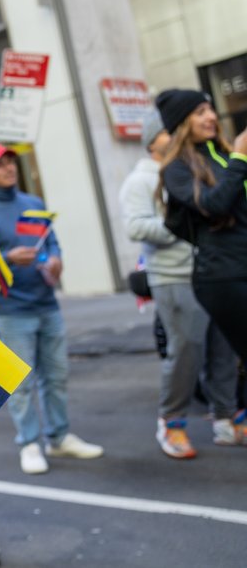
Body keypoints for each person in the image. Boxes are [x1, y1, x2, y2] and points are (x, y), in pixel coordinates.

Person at [0, 144, 104, 474]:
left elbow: (51, 241)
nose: (8, 168)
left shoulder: (33, 204)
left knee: (57, 375)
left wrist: (57, 260)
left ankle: (58, 437)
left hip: (47, 304)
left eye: (11, 162)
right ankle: (29, 443)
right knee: (21, 383)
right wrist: (7, 258)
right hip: (11, 310)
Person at [119, 113, 241, 456]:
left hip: (212, 271)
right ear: (151, 140)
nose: (172, 135)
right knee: (186, 348)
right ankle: (171, 423)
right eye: (165, 132)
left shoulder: (194, 166)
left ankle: (227, 419)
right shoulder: (140, 180)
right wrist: (185, 226)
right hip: (173, 276)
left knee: (224, 346)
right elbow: (136, 228)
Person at [158, 90, 247, 366]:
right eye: (200, 112)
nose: (211, 117)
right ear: (182, 123)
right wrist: (240, 158)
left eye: (210, 110)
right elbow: (214, 204)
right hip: (224, 277)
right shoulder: (176, 168)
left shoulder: (224, 155)